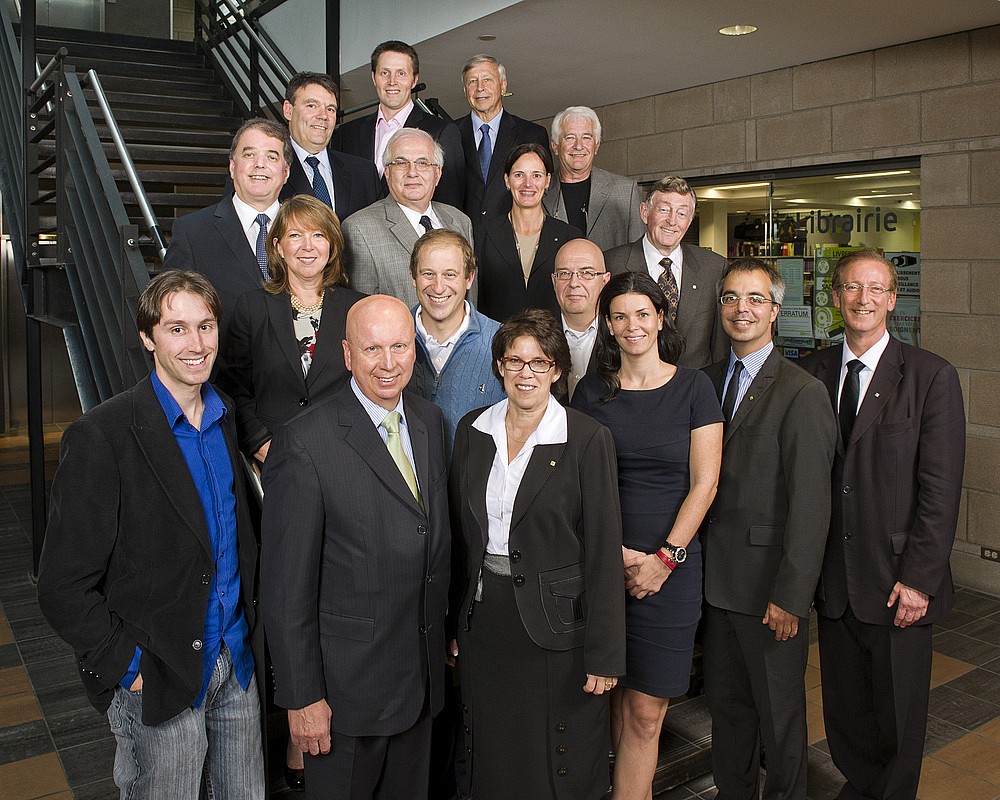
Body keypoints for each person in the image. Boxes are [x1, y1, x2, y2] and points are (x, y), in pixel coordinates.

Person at [37, 270, 265, 799]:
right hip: (159, 673)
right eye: (176, 329)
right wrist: (129, 667)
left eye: (205, 327)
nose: (196, 344)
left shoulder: (225, 416)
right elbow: (62, 587)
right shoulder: (102, 435)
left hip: (234, 664)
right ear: (148, 338)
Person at [260, 295, 451, 799]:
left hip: (419, 683)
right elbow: (285, 590)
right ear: (347, 354)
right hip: (345, 699)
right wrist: (302, 697)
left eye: (399, 347)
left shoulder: (430, 421)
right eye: (372, 349)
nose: (388, 363)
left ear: (415, 350)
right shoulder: (304, 443)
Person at [798, 250, 966, 800]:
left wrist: (920, 578)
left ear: (893, 299)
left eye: (875, 289)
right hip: (835, 581)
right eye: (851, 287)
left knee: (897, 717)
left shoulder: (930, 376)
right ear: (835, 297)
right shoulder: (812, 373)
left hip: (898, 581)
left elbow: (941, 491)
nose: (862, 298)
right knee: (846, 712)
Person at [449, 308, 626, 800]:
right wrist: (452, 623)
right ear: (499, 366)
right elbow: (460, 539)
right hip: (486, 621)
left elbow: (603, 552)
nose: (526, 373)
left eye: (539, 362)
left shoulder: (586, 439)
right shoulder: (472, 431)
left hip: (556, 628)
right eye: (515, 361)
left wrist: (606, 654)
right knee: (494, 753)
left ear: (557, 370)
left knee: (553, 760)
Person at [571, 271, 723, 800]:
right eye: (619, 316)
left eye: (642, 313)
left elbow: (705, 483)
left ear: (661, 318)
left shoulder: (694, 387)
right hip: (604, 568)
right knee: (609, 698)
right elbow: (574, 483)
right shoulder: (591, 393)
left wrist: (665, 558)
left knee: (645, 712)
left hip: (670, 574)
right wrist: (611, 556)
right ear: (608, 325)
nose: (632, 325)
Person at [701, 259, 837, 800]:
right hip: (716, 584)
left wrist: (792, 596)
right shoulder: (707, 380)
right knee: (729, 714)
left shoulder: (802, 391)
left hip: (768, 592)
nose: (742, 309)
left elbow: (812, 505)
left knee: (779, 722)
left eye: (755, 299)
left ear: (776, 311)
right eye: (731, 297)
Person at [220, 195, 364, 466]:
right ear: (278, 247)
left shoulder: (358, 308)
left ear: (332, 246)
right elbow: (232, 387)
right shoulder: (252, 307)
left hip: (347, 455)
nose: (308, 246)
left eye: (318, 235)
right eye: (295, 235)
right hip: (275, 456)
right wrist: (261, 444)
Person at [163, 119, 291, 339]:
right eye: (249, 155)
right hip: (225, 358)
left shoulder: (310, 230)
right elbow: (168, 312)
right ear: (232, 167)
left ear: (286, 172)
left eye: (272, 157)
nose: (260, 164)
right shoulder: (192, 232)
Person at [342, 128, 474, 307]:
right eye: (401, 163)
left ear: (437, 174)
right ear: (387, 173)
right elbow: (363, 311)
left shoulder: (460, 221)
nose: (412, 172)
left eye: (422, 163)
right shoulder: (359, 229)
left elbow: (470, 301)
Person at [605, 176, 727, 368]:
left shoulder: (713, 267)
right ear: (644, 212)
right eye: (664, 210)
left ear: (689, 221)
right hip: (630, 381)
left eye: (682, 213)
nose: (672, 221)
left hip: (695, 383)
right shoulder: (612, 263)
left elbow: (720, 345)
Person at [332, 42, 465, 208]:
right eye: (385, 73)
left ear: (414, 80)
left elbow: (449, 204)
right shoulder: (347, 133)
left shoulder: (441, 132)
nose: (392, 81)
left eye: (401, 73)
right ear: (374, 78)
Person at [409, 228, 504, 451]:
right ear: (413, 277)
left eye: (450, 275)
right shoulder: (390, 339)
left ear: (469, 278)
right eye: (428, 274)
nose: (438, 287)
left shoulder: (503, 342)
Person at [477, 142, 583, 322]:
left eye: (536, 175)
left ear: (547, 181)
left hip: (552, 337)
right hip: (497, 337)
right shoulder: (482, 234)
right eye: (519, 175)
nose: (528, 184)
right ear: (507, 180)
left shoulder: (570, 237)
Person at [457, 55, 550, 239]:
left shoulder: (532, 134)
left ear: (503, 86)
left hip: (514, 239)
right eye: (472, 81)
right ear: (465, 90)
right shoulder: (450, 134)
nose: (480, 88)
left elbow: (542, 192)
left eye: (487, 80)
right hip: (462, 239)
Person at [279, 71, 381, 220]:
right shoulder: (270, 170)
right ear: (288, 110)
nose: (323, 116)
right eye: (312, 105)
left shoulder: (364, 173)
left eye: (330, 109)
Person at [542, 106, 644, 251]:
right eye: (570, 137)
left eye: (586, 138)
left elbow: (638, 253)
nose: (578, 146)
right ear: (555, 146)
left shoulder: (626, 191)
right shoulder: (538, 191)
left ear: (596, 146)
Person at [551, 238, 610, 401]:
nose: (574, 283)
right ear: (554, 281)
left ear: (605, 281)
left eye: (587, 273)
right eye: (564, 274)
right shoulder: (535, 335)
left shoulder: (621, 336)